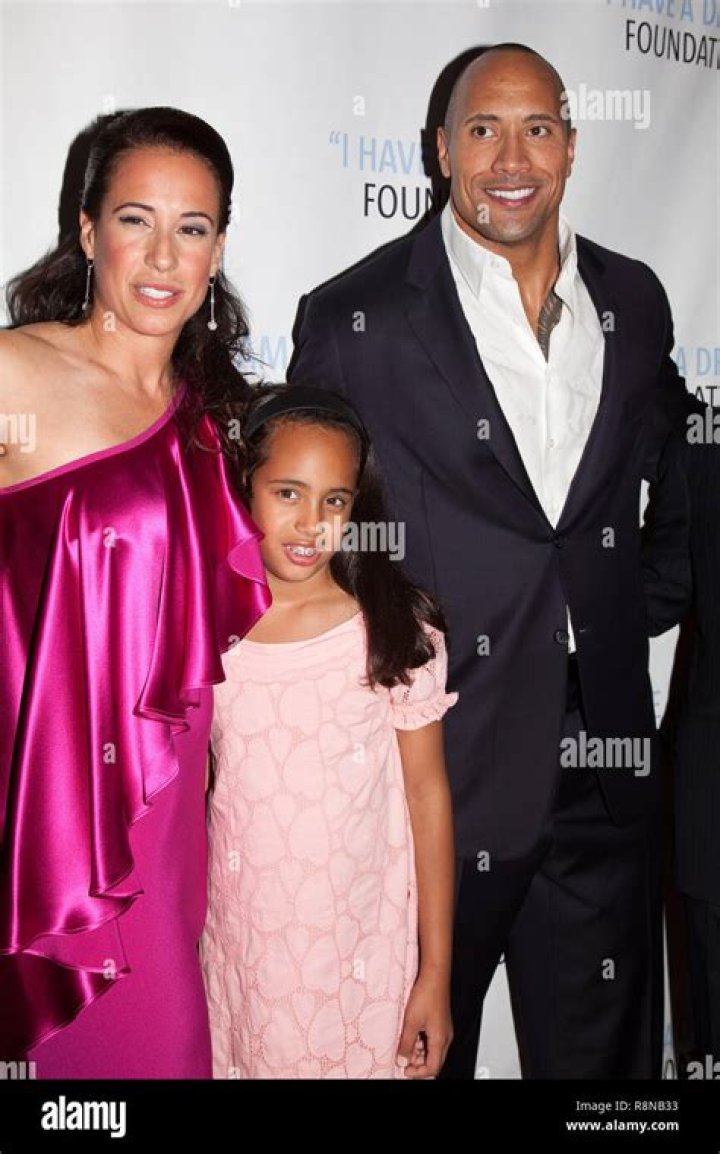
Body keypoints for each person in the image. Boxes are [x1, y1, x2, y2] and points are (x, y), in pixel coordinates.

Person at [289, 44, 695, 1078]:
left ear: (572, 145)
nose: (511, 159)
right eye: (483, 130)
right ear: (441, 149)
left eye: (537, 129)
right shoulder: (355, 319)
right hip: (437, 776)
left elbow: (675, 454)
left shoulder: (634, 299)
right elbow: (300, 539)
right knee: (419, 1060)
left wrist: (642, 593)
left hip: (604, 764)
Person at [0, 107, 270, 1077]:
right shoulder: (15, 372)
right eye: (134, 220)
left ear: (218, 249)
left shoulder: (213, 414)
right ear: (87, 231)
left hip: (170, 810)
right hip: (49, 798)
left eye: (191, 228)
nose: (162, 257)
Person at [200, 383, 456, 1079]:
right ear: (244, 486)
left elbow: (428, 798)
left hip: (363, 964)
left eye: (334, 501)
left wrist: (436, 972)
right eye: (287, 493)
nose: (310, 523)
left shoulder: (391, 632)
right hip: (243, 955)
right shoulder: (207, 629)